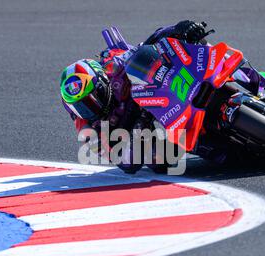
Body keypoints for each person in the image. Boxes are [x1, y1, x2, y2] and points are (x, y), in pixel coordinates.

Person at [59, 20, 210, 173]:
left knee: (193, 44)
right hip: (134, 130)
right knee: (156, 161)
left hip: (153, 93)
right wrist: (139, 128)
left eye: (90, 100)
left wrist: (178, 28)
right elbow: (125, 164)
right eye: (80, 107)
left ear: (103, 83)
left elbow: (149, 42)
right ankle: (195, 141)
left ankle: (220, 72)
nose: (88, 109)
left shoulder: (113, 65)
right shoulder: (88, 130)